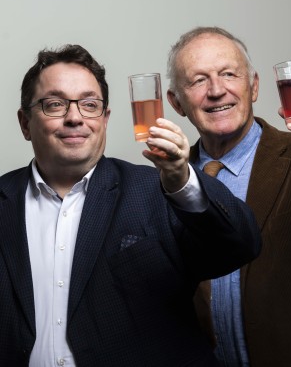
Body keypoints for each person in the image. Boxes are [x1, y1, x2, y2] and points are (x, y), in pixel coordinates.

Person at [0, 44, 261, 367]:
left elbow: (240, 244)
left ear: (105, 119)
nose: (74, 117)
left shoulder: (158, 190)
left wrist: (183, 181)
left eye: (89, 104)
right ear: (25, 123)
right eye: (54, 104)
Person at [166, 26, 291, 367]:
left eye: (229, 74)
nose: (217, 90)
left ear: (254, 86)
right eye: (198, 80)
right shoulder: (170, 180)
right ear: (177, 102)